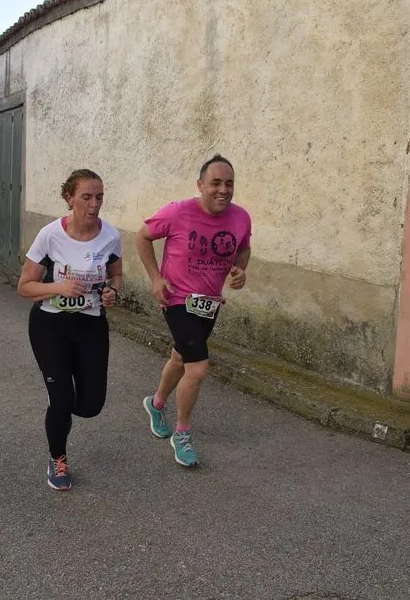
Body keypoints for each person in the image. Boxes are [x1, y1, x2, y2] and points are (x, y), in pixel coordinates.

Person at [135, 154, 251, 467]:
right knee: (197, 368)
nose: (223, 190)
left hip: (209, 302)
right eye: (216, 183)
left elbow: (243, 248)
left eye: (229, 184)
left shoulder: (241, 217)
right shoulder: (178, 212)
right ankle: (182, 433)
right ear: (200, 185)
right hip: (176, 299)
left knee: (180, 357)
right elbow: (143, 236)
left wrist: (240, 269)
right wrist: (155, 278)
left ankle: (156, 403)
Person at [17, 169, 122, 491]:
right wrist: (57, 287)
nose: (94, 204)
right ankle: (57, 458)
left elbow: (117, 277)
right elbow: (25, 287)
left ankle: (62, 402)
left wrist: (112, 292)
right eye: (86, 197)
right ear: (69, 198)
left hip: (91, 325)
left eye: (99, 197)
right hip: (51, 326)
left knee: (90, 405)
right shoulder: (50, 236)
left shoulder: (111, 236)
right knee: (62, 400)